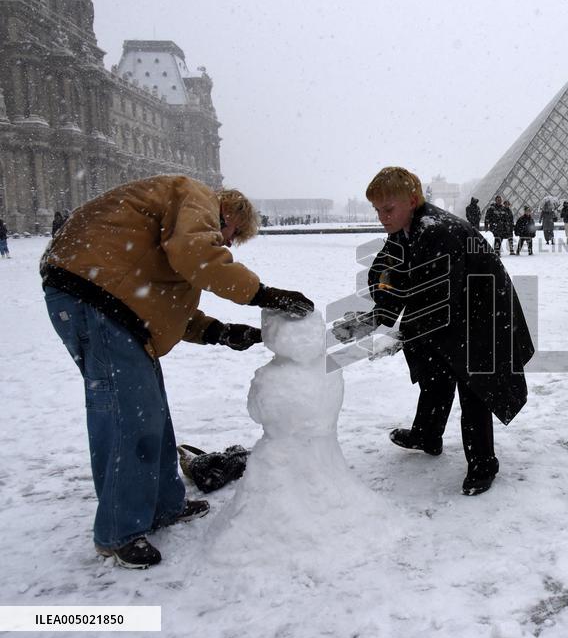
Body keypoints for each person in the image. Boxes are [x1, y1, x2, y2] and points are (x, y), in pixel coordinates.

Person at [40, 175, 315, 569]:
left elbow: (165, 307)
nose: (227, 245)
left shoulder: (169, 237)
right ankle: (119, 531)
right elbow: (196, 253)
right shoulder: (196, 196)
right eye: (232, 235)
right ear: (228, 212)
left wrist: (219, 332)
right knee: (127, 418)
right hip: (92, 297)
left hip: (111, 303)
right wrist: (262, 293)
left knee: (149, 411)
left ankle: (163, 505)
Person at [338, 166, 534, 496]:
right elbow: (389, 273)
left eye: (388, 209)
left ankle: (484, 463)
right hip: (455, 311)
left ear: (412, 200)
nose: (382, 217)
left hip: (483, 316)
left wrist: (392, 334)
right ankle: (427, 435)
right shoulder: (406, 227)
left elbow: (432, 301)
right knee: (435, 370)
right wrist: (374, 318)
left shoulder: (437, 232)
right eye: (377, 210)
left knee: (475, 386)